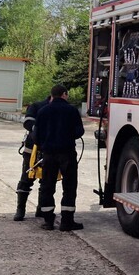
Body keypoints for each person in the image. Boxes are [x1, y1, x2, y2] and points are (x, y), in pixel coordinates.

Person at [35, 84, 85, 231]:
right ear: (64, 94)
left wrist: (45, 143)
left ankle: (48, 221)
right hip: (67, 153)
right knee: (69, 186)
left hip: (49, 154)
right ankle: (66, 221)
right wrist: (67, 136)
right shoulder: (72, 110)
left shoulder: (43, 111)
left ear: (52, 95)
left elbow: (36, 136)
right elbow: (79, 131)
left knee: (47, 186)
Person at [13, 95, 52, 221]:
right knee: (26, 179)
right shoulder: (37, 106)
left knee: (46, 181)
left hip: (50, 150)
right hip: (32, 150)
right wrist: (40, 130)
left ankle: (40, 209)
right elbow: (27, 122)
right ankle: (20, 210)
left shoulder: (58, 108)